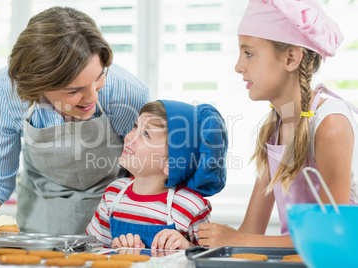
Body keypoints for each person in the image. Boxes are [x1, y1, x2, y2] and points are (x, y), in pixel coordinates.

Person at [0, 6, 149, 234]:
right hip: (41, 221)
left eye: (99, 77)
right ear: (38, 85)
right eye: (74, 90)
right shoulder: (6, 90)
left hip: (113, 223)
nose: (92, 97)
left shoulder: (127, 93)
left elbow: (147, 178)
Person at [198, 0, 358, 248]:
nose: (238, 66)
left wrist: (239, 239)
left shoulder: (330, 124)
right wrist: (192, 242)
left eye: (249, 53)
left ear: (291, 58)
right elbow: (251, 230)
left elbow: (332, 237)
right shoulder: (274, 130)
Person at [86, 100, 228, 249]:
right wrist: (113, 249)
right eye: (135, 126)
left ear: (171, 164)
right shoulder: (113, 194)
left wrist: (187, 247)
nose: (129, 137)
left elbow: (206, 259)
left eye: (146, 134)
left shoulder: (190, 206)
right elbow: (93, 249)